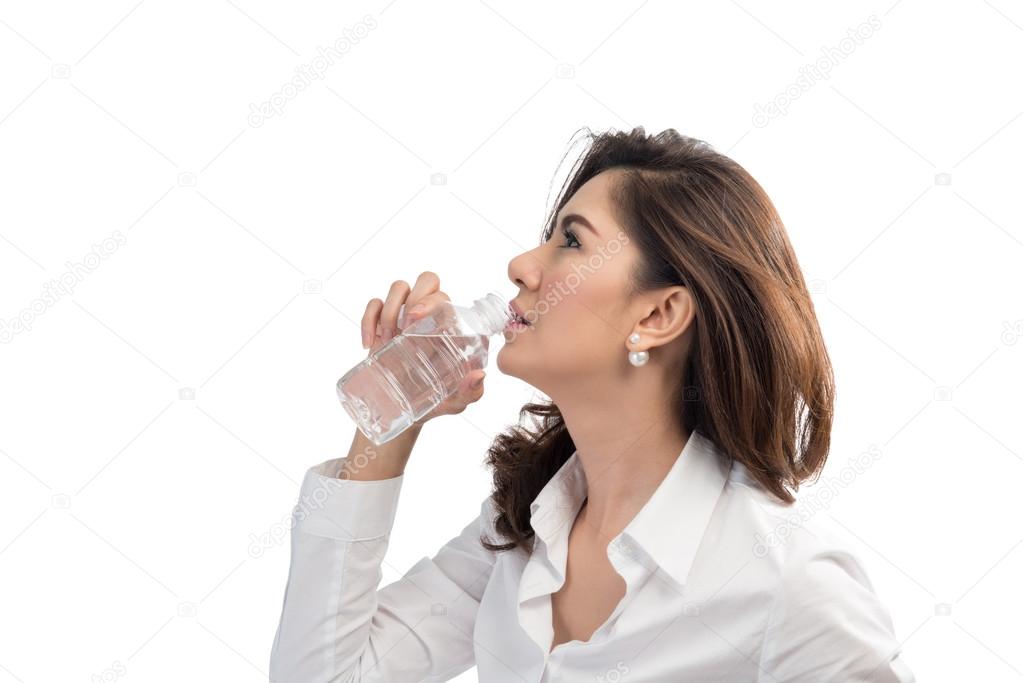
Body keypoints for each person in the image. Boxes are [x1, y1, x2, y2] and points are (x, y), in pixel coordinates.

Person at [268, 127, 915, 681]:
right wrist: (392, 412)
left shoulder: (787, 583)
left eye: (570, 241)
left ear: (658, 314)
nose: (521, 263)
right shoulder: (518, 529)